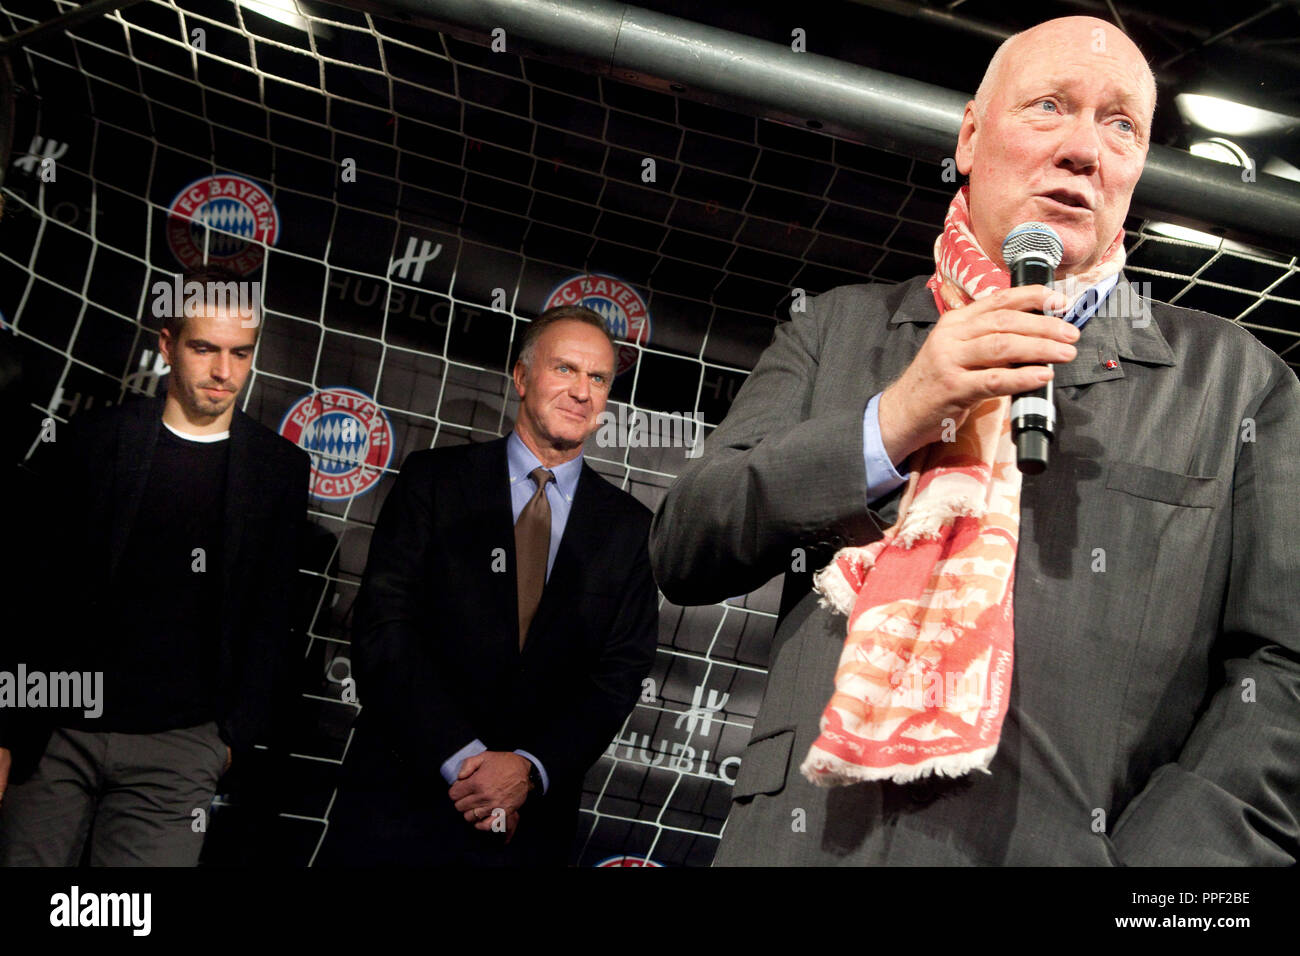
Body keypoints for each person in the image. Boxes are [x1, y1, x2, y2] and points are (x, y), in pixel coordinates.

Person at [650, 16, 1300, 865]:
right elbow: (686, 543)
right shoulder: (836, 330)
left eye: (1120, 125)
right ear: (969, 136)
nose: (1083, 150)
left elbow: (1284, 675)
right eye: (1049, 106)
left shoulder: (1238, 383)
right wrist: (895, 419)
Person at [319, 305, 659, 866]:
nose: (582, 391)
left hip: (527, 827)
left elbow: (618, 676)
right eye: (565, 369)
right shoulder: (432, 481)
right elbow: (385, 629)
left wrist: (526, 769)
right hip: (398, 801)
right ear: (522, 378)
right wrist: (466, 762)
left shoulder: (629, 529)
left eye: (597, 378)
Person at [0, 268, 310, 866]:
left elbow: (270, 617)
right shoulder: (94, 439)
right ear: (166, 343)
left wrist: (225, 742)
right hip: (57, 730)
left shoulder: (277, 471)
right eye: (204, 348)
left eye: (240, 353)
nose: (224, 372)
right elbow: (30, 589)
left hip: (181, 749)